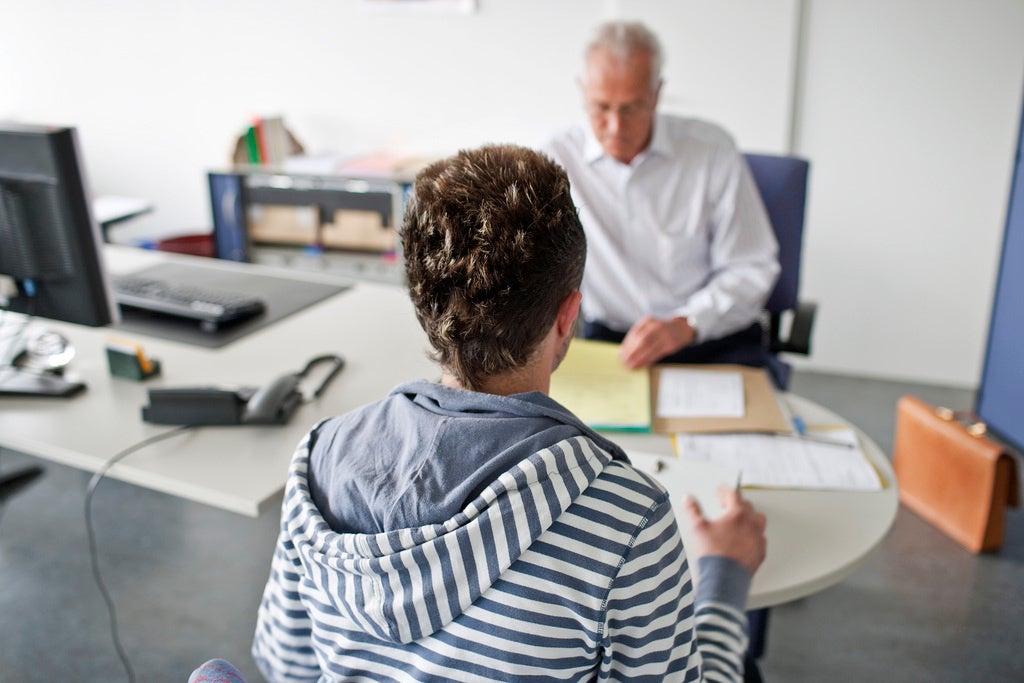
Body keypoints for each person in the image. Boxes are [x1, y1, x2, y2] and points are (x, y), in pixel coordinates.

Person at [250, 144, 766, 682]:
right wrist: (725, 579)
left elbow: (287, 665)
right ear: (569, 315)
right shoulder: (627, 519)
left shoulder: (319, 455)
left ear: (423, 303)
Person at [545, 21, 781, 374]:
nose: (615, 127)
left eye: (631, 108)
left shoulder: (711, 151)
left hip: (710, 338)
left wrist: (687, 323)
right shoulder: (558, 157)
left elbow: (752, 267)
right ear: (583, 92)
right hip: (612, 344)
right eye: (601, 107)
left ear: (656, 94)